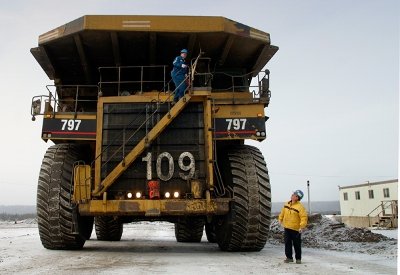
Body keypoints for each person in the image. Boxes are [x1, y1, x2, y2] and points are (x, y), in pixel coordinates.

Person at [278, 189, 308, 264]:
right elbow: (282, 212)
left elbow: (304, 217)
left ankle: (298, 259)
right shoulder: (287, 204)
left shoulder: (300, 207)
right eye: (293, 194)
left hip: (296, 229)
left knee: (297, 244)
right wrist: (280, 219)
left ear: (297, 197)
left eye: (294, 194)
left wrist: (302, 227)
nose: (292, 195)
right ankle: (289, 258)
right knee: (287, 243)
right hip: (287, 227)